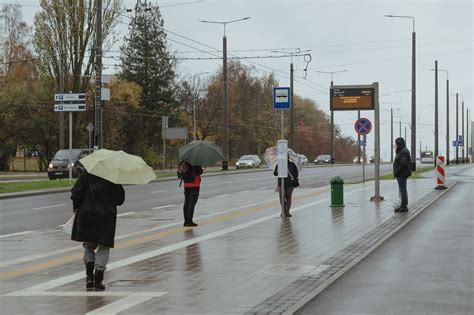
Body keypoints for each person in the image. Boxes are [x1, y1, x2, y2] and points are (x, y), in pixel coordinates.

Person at [70, 170, 125, 291]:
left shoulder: (86, 175)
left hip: (86, 215)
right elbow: (120, 200)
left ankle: (89, 278)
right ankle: (98, 280)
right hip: (106, 217)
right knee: (104, 246)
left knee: (88, 245)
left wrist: (76, 207)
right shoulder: (113, 178)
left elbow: (75, 193)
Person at [393, 137, 412, 212]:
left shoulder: (403, 151)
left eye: (396, 144)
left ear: (399, 144)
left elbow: (403, 164)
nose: (395, 145)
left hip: (402, 174)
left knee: (403, 190)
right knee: (402, 190)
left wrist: (397, 172)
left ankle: (404, 206)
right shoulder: (401, 150)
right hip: (401, 174)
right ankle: (403, 205)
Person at [182, 163, 203, 227]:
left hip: (186, 185)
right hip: (194, 185)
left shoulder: (184, 162)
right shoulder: (195, 162)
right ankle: (189, 221)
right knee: (192, 203)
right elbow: (198, 172)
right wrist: (201, 169)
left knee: (186, 203)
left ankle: (186, 221)